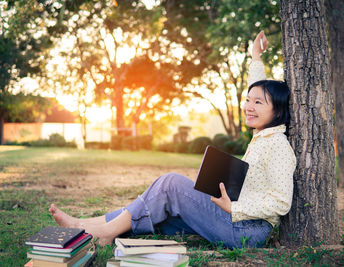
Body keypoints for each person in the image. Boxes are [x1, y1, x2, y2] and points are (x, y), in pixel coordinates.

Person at [49, 30, 296, 249]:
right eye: (248, 101)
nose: (249, 107)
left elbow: (281, 202)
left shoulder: (278, 145)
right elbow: (258, 88)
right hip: (237, 221)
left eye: (258, 103)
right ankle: (84, 226)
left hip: (247, 231)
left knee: (171, 184)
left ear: (277, 111)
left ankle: (103, 233)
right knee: (160, 208)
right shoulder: (264, 136)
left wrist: (234, 208)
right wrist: (255, 56)